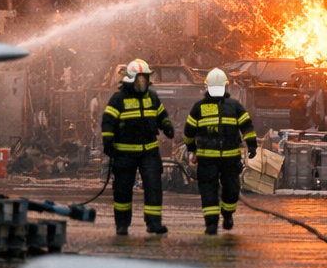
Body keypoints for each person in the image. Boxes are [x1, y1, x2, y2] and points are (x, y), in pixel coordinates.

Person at [100, 59, 174, 235]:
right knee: (123, 190)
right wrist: (108, 142)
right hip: (125, 152)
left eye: (144, 79)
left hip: (149, 151)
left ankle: (154, 223)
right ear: (130, 80)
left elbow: (161, 115)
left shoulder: (152, 97)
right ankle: (122, 224)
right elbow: (108, 122)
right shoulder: (118, 99)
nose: (142, 83)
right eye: (139, 79)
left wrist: (167, 125)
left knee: (153, 186)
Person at [185, 67, 257, 235]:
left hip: (228, 159)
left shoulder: (233, 106)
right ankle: (211, 223)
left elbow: (247, 127)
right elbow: (189, 132)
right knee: (209, 190)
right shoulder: (200, 107)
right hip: (209, 159)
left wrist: (252, 144)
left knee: (230, 190)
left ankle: (227, 215)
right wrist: (192, 149)